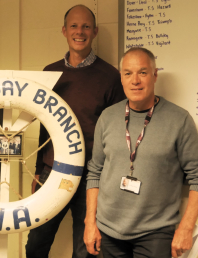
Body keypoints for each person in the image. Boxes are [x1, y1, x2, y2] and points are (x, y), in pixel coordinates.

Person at [25, 5, 126, 258]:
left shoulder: (111, 77)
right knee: (36, 243)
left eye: (85, 26)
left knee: (87, 248)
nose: (79, 32)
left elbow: (118, 132)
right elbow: (44, 126)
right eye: (73, 26)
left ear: (95, 31)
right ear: (63, 30)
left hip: (91, 177)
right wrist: (39, 171)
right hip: (52, 172)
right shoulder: (50, 74)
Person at [84, 47, 198, 258]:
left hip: (155, 233)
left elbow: (197, 177)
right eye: (128, 73)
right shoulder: (107, 117)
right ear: (121, 77)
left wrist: (186, 227)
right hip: (107, 230)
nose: (135, 80)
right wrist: (90, 221)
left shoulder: (180, 120)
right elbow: (94, 172)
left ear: (154, 76)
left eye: (142, 72)